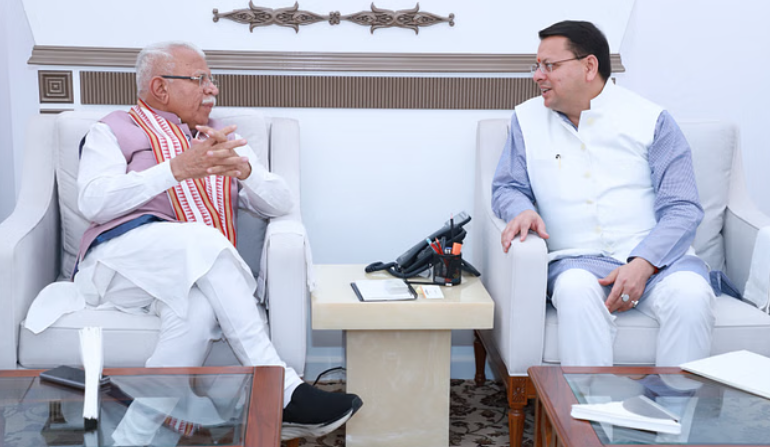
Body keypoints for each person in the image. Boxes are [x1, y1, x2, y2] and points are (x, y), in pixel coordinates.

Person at [55, 41, 360, 439]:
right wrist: (174, 170)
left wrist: (246, 172)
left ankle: (131, 438)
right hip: (118, 266)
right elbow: (93, 202)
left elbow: (282, 202)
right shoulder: (112, 130)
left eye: (211, 80)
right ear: (160, 87)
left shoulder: (218, 138)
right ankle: (283, 390)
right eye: (200, 79)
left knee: (197, 313)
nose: (212, 89)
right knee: (202, 241)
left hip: (188, 273)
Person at [491, 21, 716, 367]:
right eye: (536, 66)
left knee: (691, 296)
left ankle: (674, 404)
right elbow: (508, 186)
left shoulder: (652, 119)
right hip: (576, 261)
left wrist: (644, 263)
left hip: (660, 263)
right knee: (575, 293)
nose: (537, 76)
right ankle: (588, 403)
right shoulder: (526, 119)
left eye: (549, 66)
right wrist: (521, 209)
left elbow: (682, 207)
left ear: (589, 66)